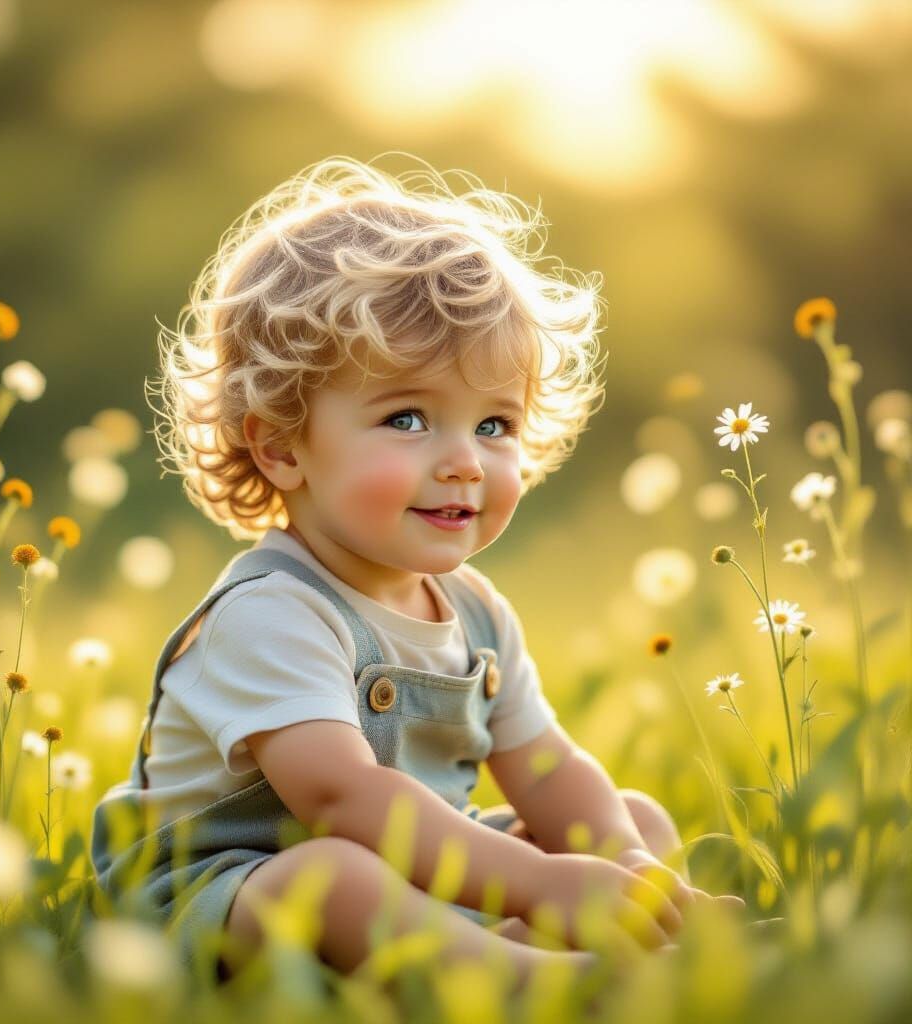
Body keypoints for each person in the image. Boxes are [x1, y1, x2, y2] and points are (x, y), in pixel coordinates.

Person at [90, 154, 744, 993]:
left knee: (632, 818)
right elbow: (340, 801)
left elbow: (545, 766)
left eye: (496, 422)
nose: (466, 462)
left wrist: (623, 874)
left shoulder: (475, 612)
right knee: (334, 875)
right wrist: (543, 883)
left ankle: (607, 940)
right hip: (222, 900)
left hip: (407, 874)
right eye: (408, 417)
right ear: (280, 444)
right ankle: (537, 985)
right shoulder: (273, 613)